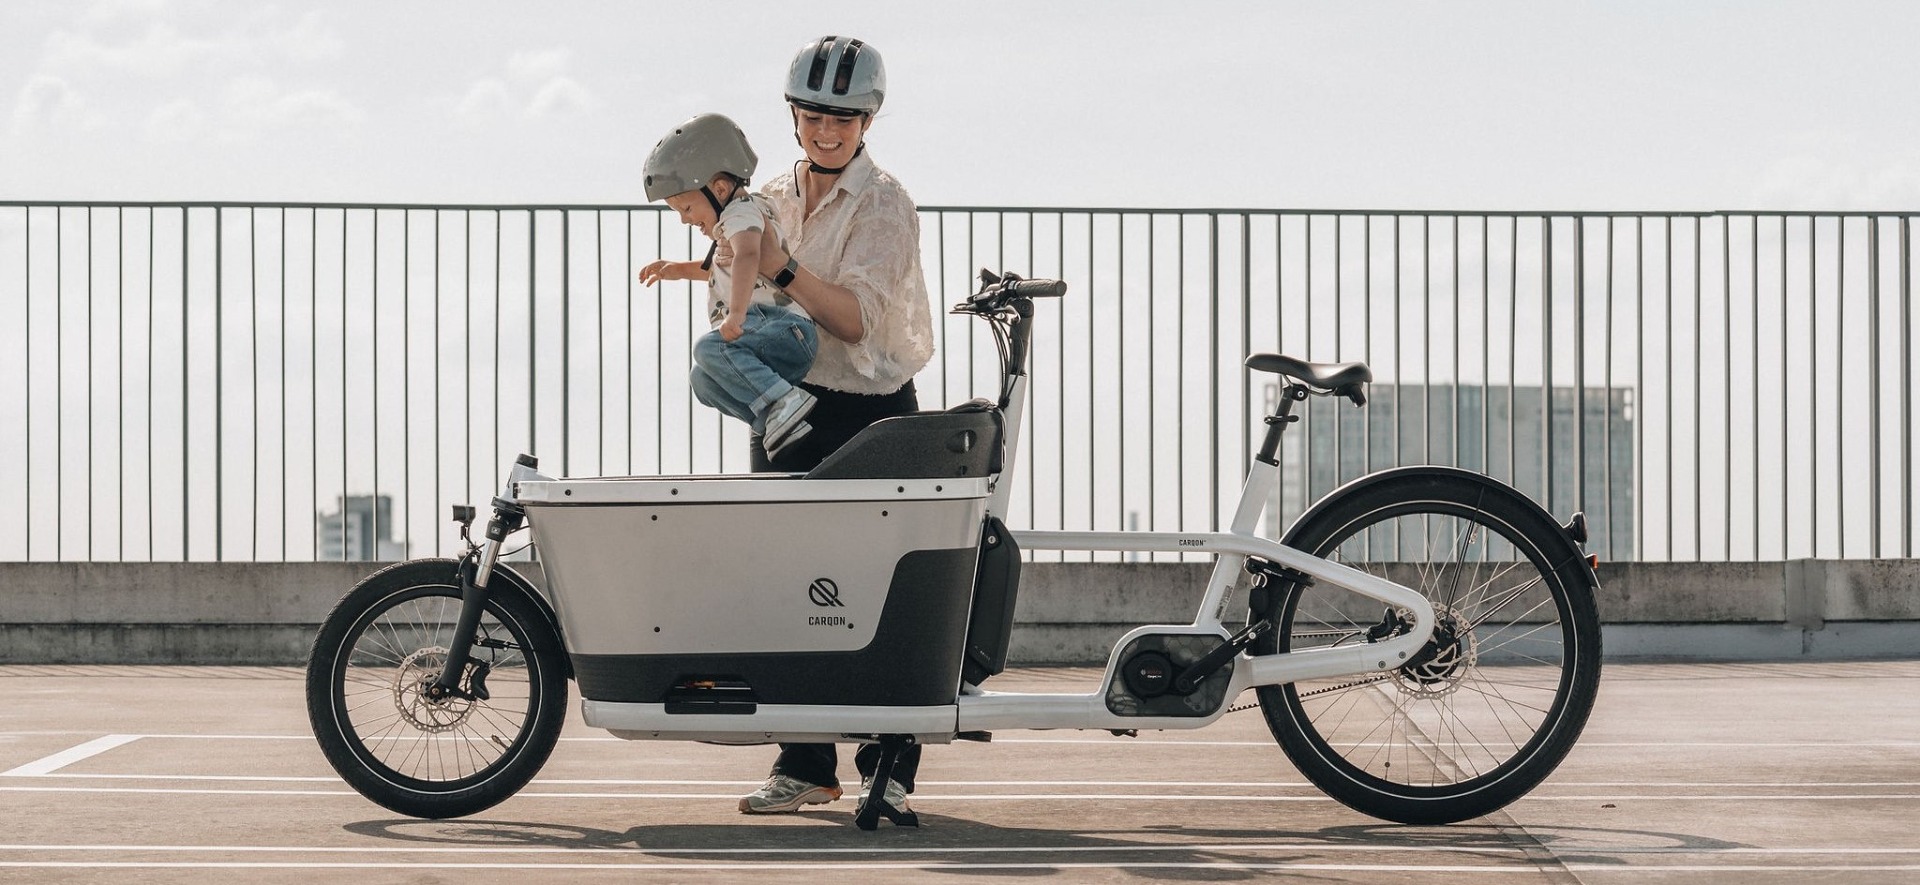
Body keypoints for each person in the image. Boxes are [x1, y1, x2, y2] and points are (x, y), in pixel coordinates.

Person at [733, 35, 937, 817]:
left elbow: (854, 319)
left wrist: (782, 269)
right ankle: (807, 763)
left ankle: (889, 763)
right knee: (789, 586)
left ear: (868, 121)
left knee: (879, 589)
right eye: (815, 114)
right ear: (793, 115)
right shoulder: (771, 197)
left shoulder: (884, 202)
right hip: (785, 402)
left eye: (844, 118)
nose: (828, 129)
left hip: (870, 406)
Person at [637, 113, 819, 459]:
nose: (685, 219)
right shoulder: (732, 224)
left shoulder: (741, 214)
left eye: (687, 207)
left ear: (719, 188)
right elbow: (722, 266)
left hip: (784, 328)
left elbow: (749, 256)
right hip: (771, 338)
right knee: (702, 381)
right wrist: (675, 269)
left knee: (708, 349)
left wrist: (735, 315)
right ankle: (779, 418)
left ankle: (785, 401)